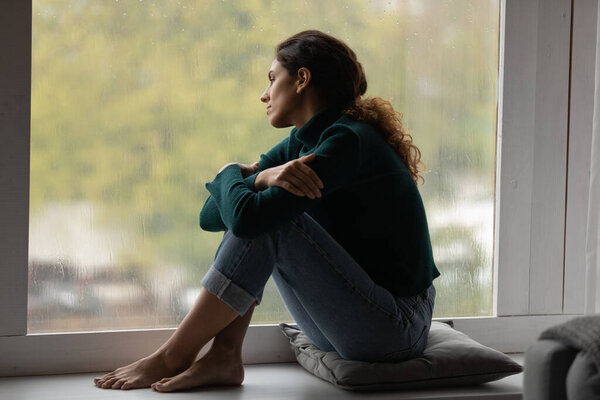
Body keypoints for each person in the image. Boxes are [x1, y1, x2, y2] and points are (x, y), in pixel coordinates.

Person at [93, 29, 439, 393]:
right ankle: (224, 354)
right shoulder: (302, 141)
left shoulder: (348, 141)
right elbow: (212, 216)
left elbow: (246, 219)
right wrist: (259, 180)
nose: (264, 94)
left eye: (273, 79)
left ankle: (173, 356)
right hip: (354, 323)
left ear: (302, 79)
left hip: (396, 328)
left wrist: (230, 170)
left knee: (270, 224)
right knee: (254, 216)